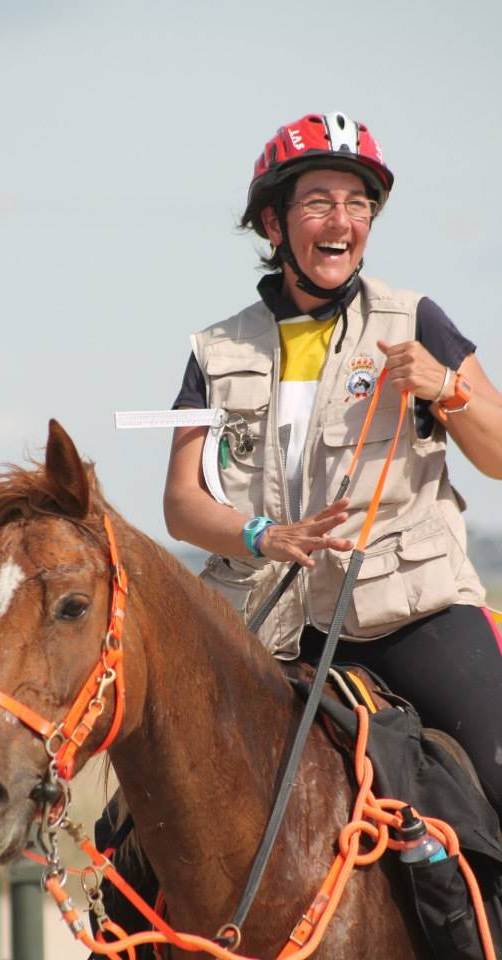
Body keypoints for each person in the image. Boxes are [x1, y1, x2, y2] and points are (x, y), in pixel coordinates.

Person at [163, 110, 502, 817]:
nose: (342, 221)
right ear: (273, 223)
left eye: (358, 204)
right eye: (318, 202)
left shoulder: (416, 319)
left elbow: (498, 455)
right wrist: (260, 536)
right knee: (146, 811)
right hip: (263, 621)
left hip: (410, 610)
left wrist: (448, 388)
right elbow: (182, 505)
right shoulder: (214, 352)